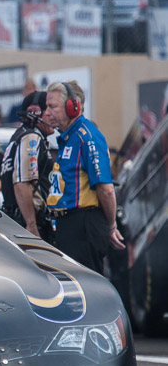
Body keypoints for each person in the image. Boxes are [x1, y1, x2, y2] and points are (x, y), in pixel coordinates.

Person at [45, 80, 124, 273]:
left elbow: (105, 189)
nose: (46, 112)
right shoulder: (69, 136)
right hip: (69, 226)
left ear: (73, 107)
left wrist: (111, 225)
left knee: (86, 290)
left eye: (52, 106)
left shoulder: (87, 136)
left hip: (83, 226)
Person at [0, 91, 54, 242]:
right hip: (26, 222)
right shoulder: (31, 137)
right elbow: (22, 182)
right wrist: (32, 225)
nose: (54, 115)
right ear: (36, 114)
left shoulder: (20, 134)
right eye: (50, 110)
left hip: (18, 218)